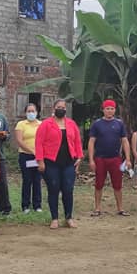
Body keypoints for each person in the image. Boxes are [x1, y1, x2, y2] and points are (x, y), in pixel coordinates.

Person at [34, 98, 83, 229]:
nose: (61, 109)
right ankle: (54, 218)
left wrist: (79, 157)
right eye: (58, 107)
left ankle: (69, 217)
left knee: (68, 189)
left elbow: (77, 141)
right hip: (51, 162)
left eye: (63, 108)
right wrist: (40, 160)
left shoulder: (71, 124)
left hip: (69, 162)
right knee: (53, 189)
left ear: (66, 110)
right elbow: (38, 143)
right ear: (54, 109)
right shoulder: (46, 124)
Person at [88, 99, 132, 216]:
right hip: (100, 158)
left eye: (112, 109)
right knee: (99, 184)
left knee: (117, 184)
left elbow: (125, 141)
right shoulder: (97, 124)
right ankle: (97, 208)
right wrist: (91, 160)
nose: (109, 111)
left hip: (115, 158)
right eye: (107, 108)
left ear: (115, 110)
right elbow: (91, 142)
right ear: (103, 110)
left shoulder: (119, 124)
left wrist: (128, 159)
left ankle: (120, 208)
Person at [14, 102, 43, 213]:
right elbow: (19, 141)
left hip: (39, 156)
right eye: (29, 111)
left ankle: (37, 205)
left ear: (37, 112)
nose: (31, 113)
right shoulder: (21, 124)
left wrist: (39, 153)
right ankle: (25, 205)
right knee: (27, 180)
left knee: (37, 180)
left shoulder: (41, 124)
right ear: (25, 113)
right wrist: (32, 151)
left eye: (33, 111)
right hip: (25, 156)